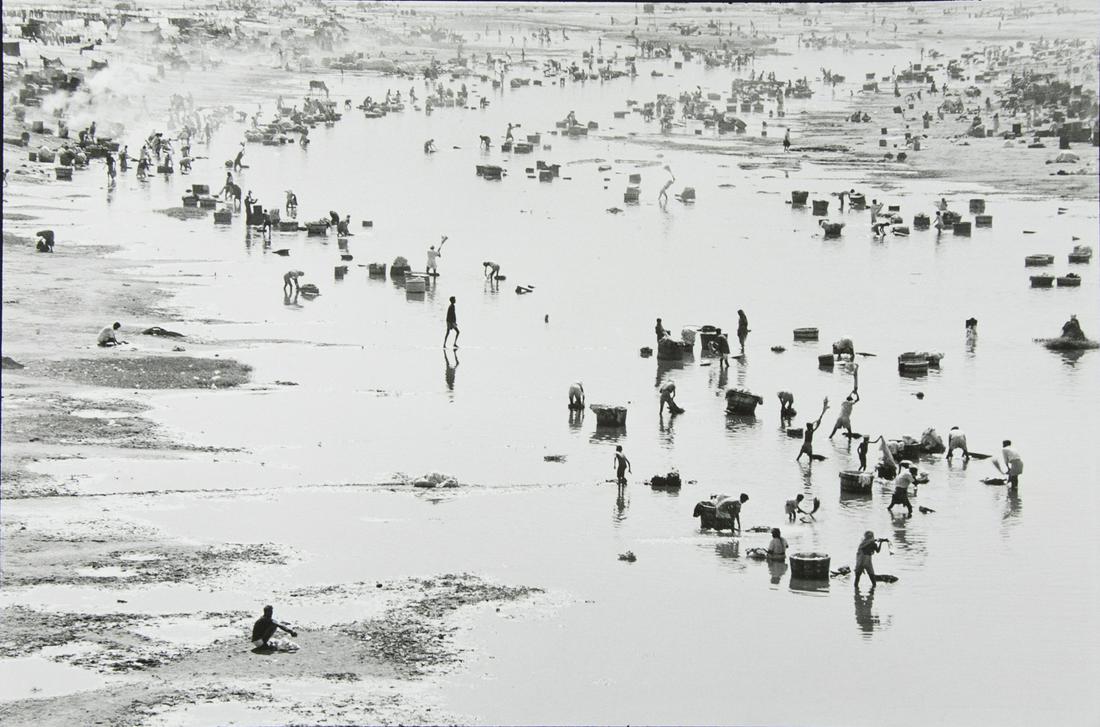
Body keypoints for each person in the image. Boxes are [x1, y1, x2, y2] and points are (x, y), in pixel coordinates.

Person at [795, 399, 829, 463]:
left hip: (804, 444)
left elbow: (813, 426)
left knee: (799, 456)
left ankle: (797, 463)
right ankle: (809, 468)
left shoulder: (806, 431)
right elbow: (816, 427)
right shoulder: (811, 431)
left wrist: (816, 422)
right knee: (810, 459)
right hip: (809, 445)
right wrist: (819, 422)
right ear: (811, 427)